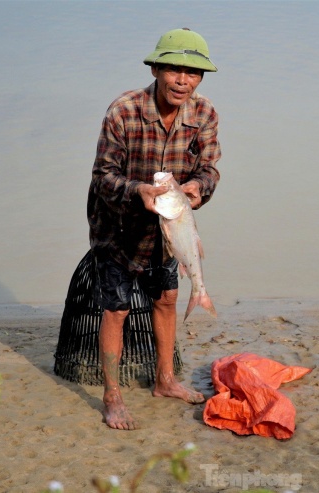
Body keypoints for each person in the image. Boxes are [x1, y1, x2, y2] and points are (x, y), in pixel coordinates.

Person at [87, 28, 221, 430]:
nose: (183, 80)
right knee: (116, 310)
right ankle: (112, 396)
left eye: (193, 72)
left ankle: (165, 380)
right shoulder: (123, 111)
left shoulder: (205, 114)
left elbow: (209, 170)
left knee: (166, 298)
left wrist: (198, 189)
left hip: (170, 227)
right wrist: (138, 190)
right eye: (175, 69)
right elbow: (102, 175)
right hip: (118, 226)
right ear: (157, 68)